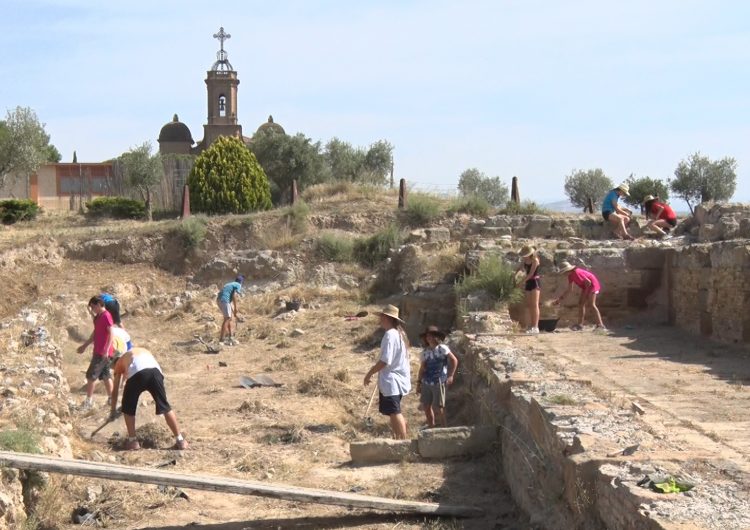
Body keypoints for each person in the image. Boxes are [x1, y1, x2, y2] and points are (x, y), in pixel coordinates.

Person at [109, 347, 188, 451]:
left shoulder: (119, 362)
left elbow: (114, 392)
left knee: (128, 409)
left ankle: (132, 441)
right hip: (156, 372)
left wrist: (113, 410)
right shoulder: (138, 351)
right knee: (165, 407)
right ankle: (180, 440)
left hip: (137, 373)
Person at [364, 305, 411, 439]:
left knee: (395, 412)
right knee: (393, 412)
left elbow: (385, 360)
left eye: (381, 317)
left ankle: (403, 442)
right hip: (397, 379)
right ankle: (398, 438)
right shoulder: (400, 334)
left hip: (392, 381)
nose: (379, 319)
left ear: (386, 317)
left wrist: (369, 373)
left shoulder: (390, 335)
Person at [76, 296, 115, 409]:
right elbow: (95, 333)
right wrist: (84, 346)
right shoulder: (99, 317)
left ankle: (89, 402)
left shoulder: (106, 316)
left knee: (90, 376)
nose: (92, 310)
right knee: (105, 375)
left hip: (102, 352)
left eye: (93, 307)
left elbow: (111, 333)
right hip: (99, 351)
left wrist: (106, 350)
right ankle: (111, 399)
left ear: (98, 304)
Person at [416, 326, 458, 428]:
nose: (428, 338)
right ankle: (431, 427)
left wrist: (451, 375)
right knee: (426, 406)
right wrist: (419, 382)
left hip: (439, 381)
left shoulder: (442, 348)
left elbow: (454, 360)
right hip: (426, 382)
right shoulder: (425, 352)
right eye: (427, 336)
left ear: (436, 337)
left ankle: (444, 428)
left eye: (431, 335)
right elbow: (422, 368)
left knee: (439, 407)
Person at [553, 261, 606, 331]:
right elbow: (569, 289)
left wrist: (586, 294)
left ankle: (600, 325)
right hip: (586, 286)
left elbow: (588, 282)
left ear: (568, 270)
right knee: (581, 304)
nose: (564, 274)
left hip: (592, 285)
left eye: (564, 272)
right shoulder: (570, 276)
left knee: (592, 304)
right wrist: (559, 299)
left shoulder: (577, 273)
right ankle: (580, 325)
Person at [517, 245, 541, 334]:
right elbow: (519, 268)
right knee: (528, 305)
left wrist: (521, 282)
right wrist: (514, 274)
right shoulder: (525, 260)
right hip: (528, 282)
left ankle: (535, 326)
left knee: (534, 305)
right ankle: (530, 326)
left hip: (535, 282)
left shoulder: (535, 260)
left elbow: (531, 274)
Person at [217, 275, 244, 345]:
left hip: (219, 300)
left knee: (228, 318)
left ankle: (230, 337)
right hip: (224, 300)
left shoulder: (229, 284)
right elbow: (234, 295)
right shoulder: (238, 284)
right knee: (228, 319)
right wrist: (236, 308)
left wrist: (234, 312)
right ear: (241, 282)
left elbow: (229, 300)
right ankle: (221, 340)